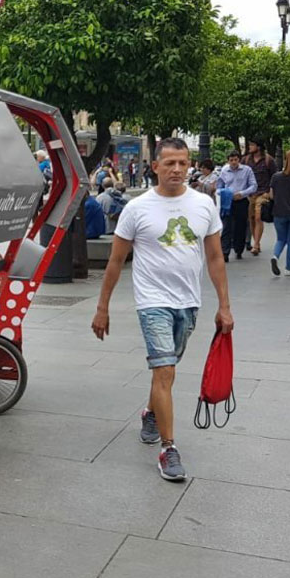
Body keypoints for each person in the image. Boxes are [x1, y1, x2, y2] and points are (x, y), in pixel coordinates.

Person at [93, 138, 233, 482]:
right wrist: (102, 307)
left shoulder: (204, 205)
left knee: (164, 372)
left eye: (182, 163)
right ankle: (169, 449)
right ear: (155, 166)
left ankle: (151, 413)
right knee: (165, 371)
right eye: (169, 163)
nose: (176, 169)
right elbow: (115, 260)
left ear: (189, 166)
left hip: (189, 302)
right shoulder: (137, 208)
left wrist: (224, 306)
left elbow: (215, 258)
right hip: (152, 301)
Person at [216, 150, 255, 260]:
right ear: (228, 161)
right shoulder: (224, 171)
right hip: (228, 201)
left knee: (240, 226)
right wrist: (222, 192)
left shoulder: (247, 170)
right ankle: (225, 252)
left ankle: (239, 249)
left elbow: (253, 185)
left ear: (239, 160)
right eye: (231, 160)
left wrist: (242, 193)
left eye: (236, 160)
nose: (233, 162)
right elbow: (219, 186)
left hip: (241, 201)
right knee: (226, 226)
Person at [243, 141, 278, 256]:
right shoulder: (247, 160)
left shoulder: (269, 160)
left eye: (252, 145)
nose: (249, 147)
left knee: (258, 217)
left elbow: (274, 176)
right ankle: (256, 241)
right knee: (251, 218)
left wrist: (271, 192)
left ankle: (256, 244)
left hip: (263, 193)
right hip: (250, 193)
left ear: (258, 147)